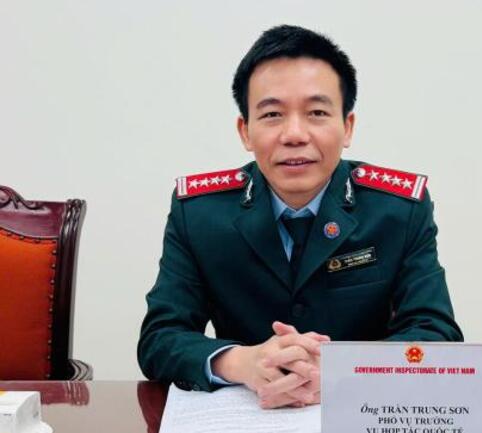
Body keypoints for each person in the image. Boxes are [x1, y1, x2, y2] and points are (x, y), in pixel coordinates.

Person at [137, 24, 463, 409]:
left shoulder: (399, 210)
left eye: (317, 112)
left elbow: (436, 334)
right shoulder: (199, 213)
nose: (294, 134)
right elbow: (160, 338)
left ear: (347, 127)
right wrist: (242, 362)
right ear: (245, 131)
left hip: (357, 412)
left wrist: (343, 370)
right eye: (272, 114)